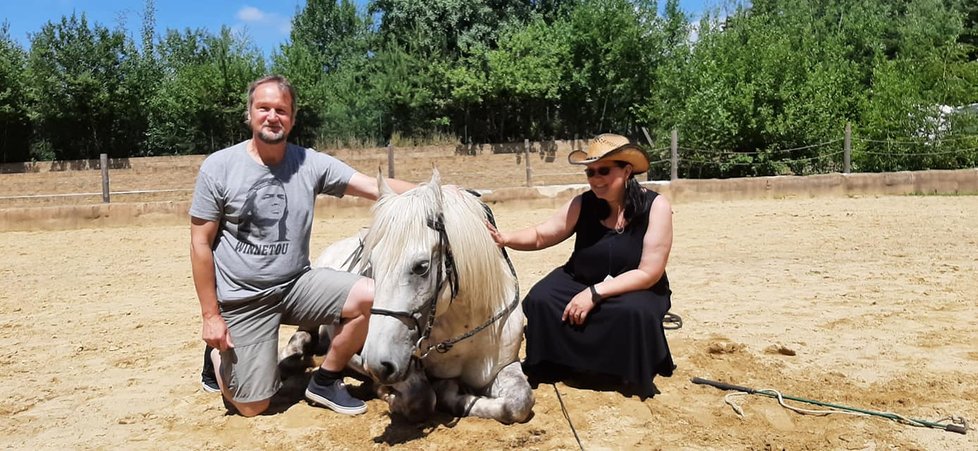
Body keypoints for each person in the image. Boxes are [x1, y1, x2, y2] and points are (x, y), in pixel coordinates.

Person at [190, 74, 415, 417]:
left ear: (292, 119)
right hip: (244, 297)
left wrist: (435, 193)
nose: (272, 116)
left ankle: (325, 380)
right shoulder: (218, 168)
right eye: (263, 108)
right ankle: (219, 357)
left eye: (281, 110)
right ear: (249, 114)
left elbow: (373, 186)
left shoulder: (310, 163)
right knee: (253, 407)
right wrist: (211, 317)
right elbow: (200, 243)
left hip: (297, 285)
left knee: (373, 294)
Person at [487, 133, 675, 398]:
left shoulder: (656, 206)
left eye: (604, 171)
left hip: (634, 286)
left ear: (627, 170)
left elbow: (649, 272)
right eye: (591, 172)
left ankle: (621, 372)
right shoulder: (582, 203)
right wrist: (505, 238)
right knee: (541, 299)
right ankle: (556, 365)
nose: (596, 179)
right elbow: (543, 235)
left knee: (634, 312)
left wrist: (594, 293)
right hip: (578, 278)